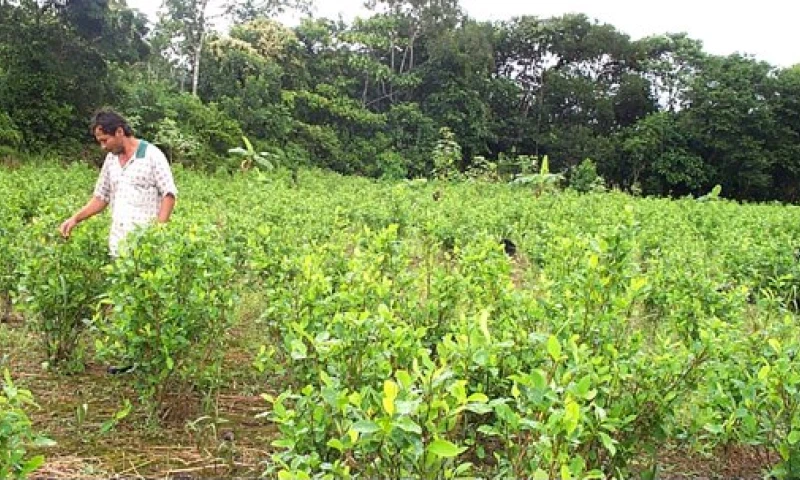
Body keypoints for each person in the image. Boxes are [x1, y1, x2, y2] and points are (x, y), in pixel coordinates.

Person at [59, 110, 177, 256]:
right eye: (100, 141)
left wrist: (158, 233)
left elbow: (169, 194)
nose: (103, 146)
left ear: (119, 132)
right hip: (118, 245)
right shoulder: (111, 159)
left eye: (105, 140)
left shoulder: (152, 155)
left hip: (146, 248)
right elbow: (101, 197)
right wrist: (75, 219)